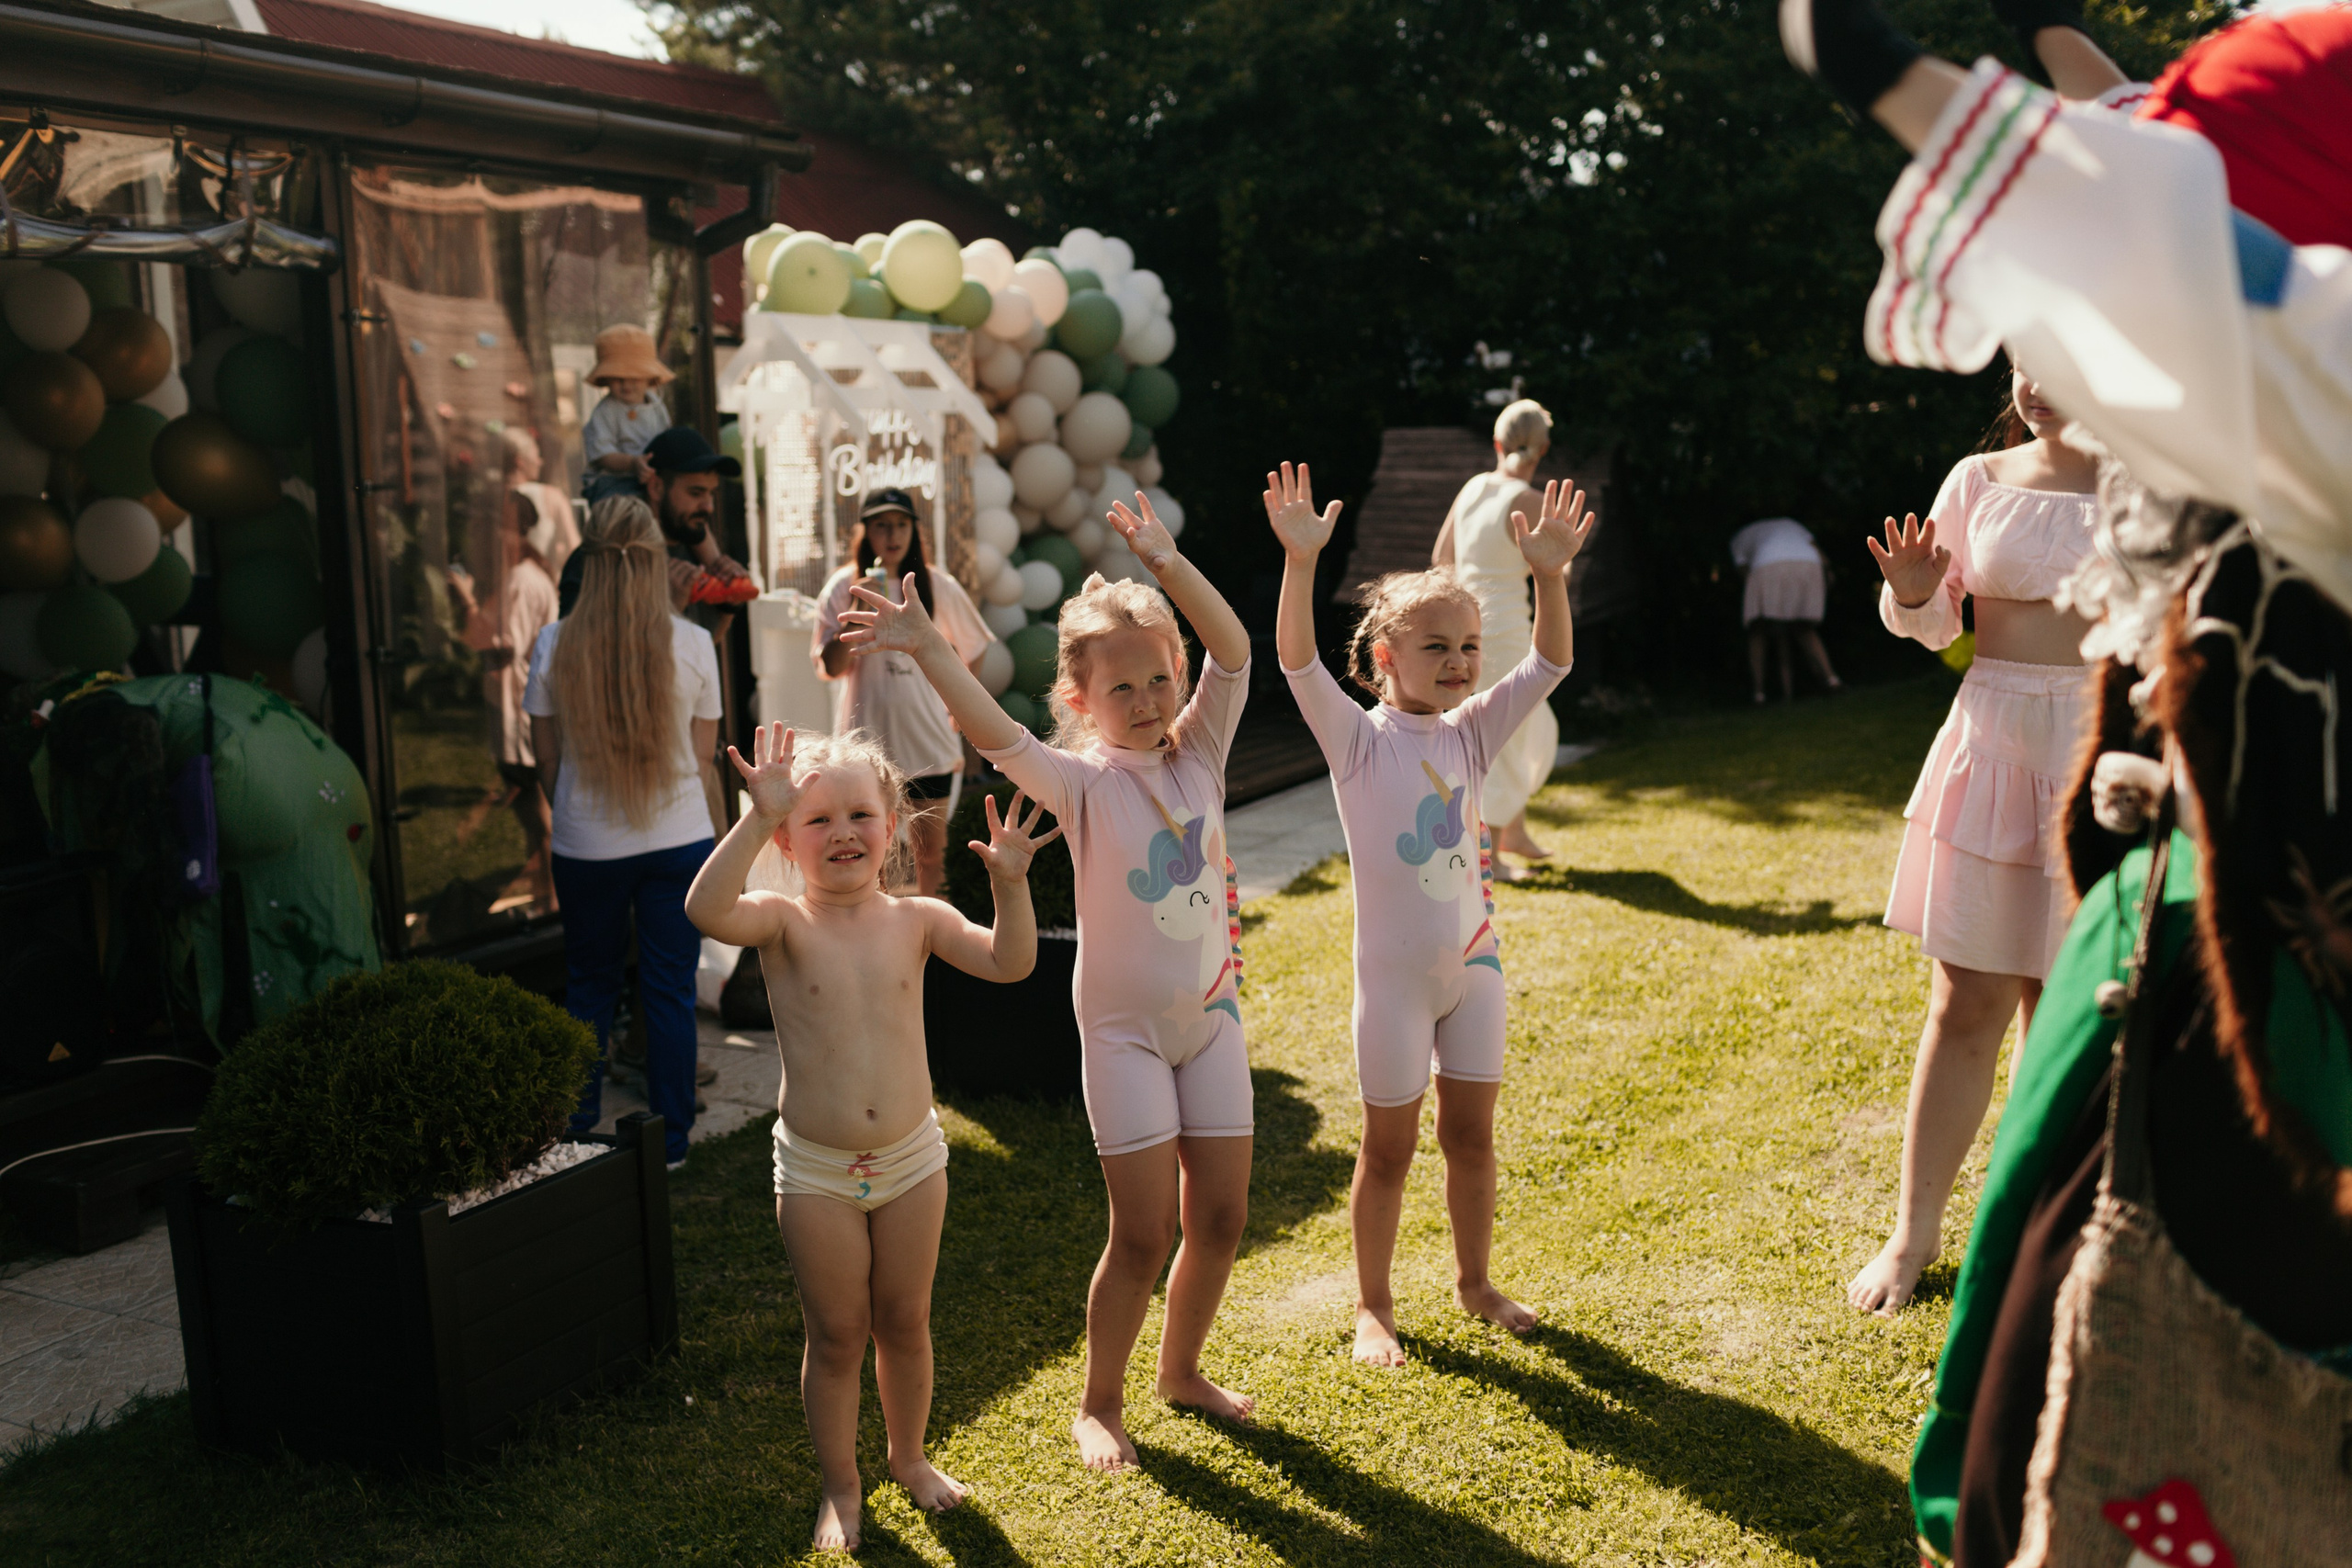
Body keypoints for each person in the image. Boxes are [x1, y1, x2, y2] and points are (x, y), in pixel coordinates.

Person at [1778, 4, 2352, 1561]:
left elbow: (2209, 271)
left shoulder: (2283, 453)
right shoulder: (2180, 489)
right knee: (2004, 1025)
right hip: (2042, 773)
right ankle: (1920, 1235)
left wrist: (1910, 86)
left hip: (2212, 934)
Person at [840, 491, 1258, 1473]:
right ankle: (1101, 1401)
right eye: (1125, 690)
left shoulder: (1201, 750)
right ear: (1080, 702)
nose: (1151, 700)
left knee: (1225, 1216)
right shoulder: (1080, 783)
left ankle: (1181, 1369)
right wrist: (930, 647)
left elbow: (1233, 651)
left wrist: (1166, 563)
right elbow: (992, 735)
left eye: (1161, 680)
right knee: (1145, 1229)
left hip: (1213, 1019)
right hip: (1121, 1035)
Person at [684, 724, 1057, 1553]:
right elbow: (702, 909)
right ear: (787, 837)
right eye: (815, 820)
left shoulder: (917, 919)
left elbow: (1011, 963)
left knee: (905, 1317)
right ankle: (841, 1487)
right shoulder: (781, 920)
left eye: (860, 814)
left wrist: (1010, 886)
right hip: (815, 1170)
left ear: (892, 825)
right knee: (838, 1331)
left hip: (912, 1161)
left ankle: (910, 1457)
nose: (842, 832)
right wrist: (753, 816)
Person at [1266, 460, 1589, 1366]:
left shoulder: (1474, 731)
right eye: (1435, 647)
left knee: (1472, 1138)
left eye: (1466, 646)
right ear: (1383, 661)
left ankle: (1475, 1282)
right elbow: (1294, 660)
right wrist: (1299, 564)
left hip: (1473, 973)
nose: (1456, 662)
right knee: (1389, 1152)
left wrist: (1550, 577)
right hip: (1395, 989)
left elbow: (1552, 660)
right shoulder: (1358, 741)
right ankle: (1373, 1305)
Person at [1848, 364, 2101, 1315]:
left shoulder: (2161, 480)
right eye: (2022, 360)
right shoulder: (1975, 479)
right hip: (1990, 747)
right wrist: (1915, 595)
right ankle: (1911, 1235)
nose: (2035, 381)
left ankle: (2052, 1226)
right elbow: (1930, 624)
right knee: (1965, 1004)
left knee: (2073, 1015)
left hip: (2104, 757)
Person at [524, 495, 725, 1168]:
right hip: (679, 842)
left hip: (587, 847)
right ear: (654, 563)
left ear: (589, 560)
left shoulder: (553, 644)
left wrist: (577, 810)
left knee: (589, 986)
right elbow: (702, 762)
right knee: (668, 990)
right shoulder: (695, 644)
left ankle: (578, 1134)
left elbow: (546, 758)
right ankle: (670, 1145)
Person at [813, 489, 997, 895]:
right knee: (870, 857)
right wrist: (855, 603)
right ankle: (874, 944)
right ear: (866, 533)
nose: (892, 536)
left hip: (927, 743)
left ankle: (932, 943)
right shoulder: (842, 586)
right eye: (881, 525)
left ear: (914, 530)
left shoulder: (935, 584)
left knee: (931, 854)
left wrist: (959, 707)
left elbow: (977, 647)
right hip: (865, 746)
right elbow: (829, 666)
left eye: (900, 524)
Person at [1432, 399, 1563, 881]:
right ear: (1543, 448)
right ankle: (1490, 855)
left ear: (1496, 442)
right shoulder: (1527, 500)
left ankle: (1516, 832)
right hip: (1507, 635)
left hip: (1472, 634)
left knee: (1527, 728)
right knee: (1505, 739)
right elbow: (1554, 568)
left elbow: (1441, 557)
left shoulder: (1473, 488)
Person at [448, 470, 562, 908]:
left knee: (539, 818)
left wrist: (466, 600)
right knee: (533, 814)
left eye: (496, 523)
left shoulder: (520, 579)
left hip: (520, 714)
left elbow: (499, 649)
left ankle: (550, 903)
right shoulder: (530, 573)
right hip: (526, 709)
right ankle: (544, 897)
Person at [559, 425, 744, 617]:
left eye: (711, 494)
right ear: (655, 487)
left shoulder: (694, 552)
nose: (708, 507)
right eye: (695, 493)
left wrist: (728, 602)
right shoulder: (597, 561)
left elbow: (704, 643)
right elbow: (575, 645)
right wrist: (669, 608)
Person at [1728, 517, 1842, 704]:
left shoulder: (1738, 538)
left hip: (1765, 566)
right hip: (1808, 562)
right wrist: (1828, 571)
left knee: (1758, 628)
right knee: (1803, 626)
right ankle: (1832, 680)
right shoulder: (1792, 524)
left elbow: (1744, 573)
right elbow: (1819, 553)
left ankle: (1759, 694)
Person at [581, 323, 673, 505]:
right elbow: (602, 455)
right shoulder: (606, 411)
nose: (626, 384)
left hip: (650, 478)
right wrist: (632, 464)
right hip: (613, 481)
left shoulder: (656, 406)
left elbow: (666, 438)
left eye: (635, 377)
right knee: (623, 509)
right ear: (606, 379)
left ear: (649, 378)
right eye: (618, 378)